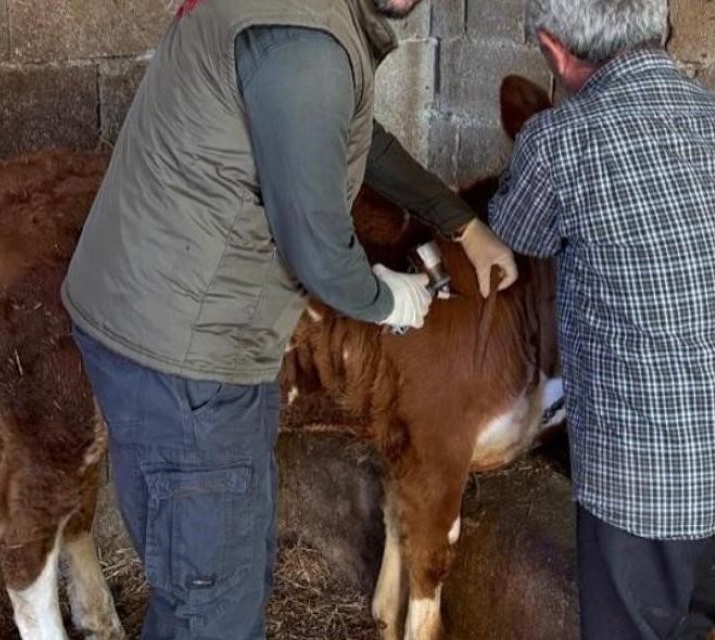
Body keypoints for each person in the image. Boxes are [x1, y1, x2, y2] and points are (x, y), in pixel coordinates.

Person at [60, 0, 519, 636]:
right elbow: (318, 249)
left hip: (162, 326)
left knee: (218, 579)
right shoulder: (305, 44)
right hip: (189, 358)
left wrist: (460, 222)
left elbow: (358, 139)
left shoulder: (311, 22)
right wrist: (387, 297)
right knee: (213, 605)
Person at [487, 1, 715, 638]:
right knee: (689, 627)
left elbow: (514, 234)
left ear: (554, 49)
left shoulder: (560, 141)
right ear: (659, 25)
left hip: (646, 486)